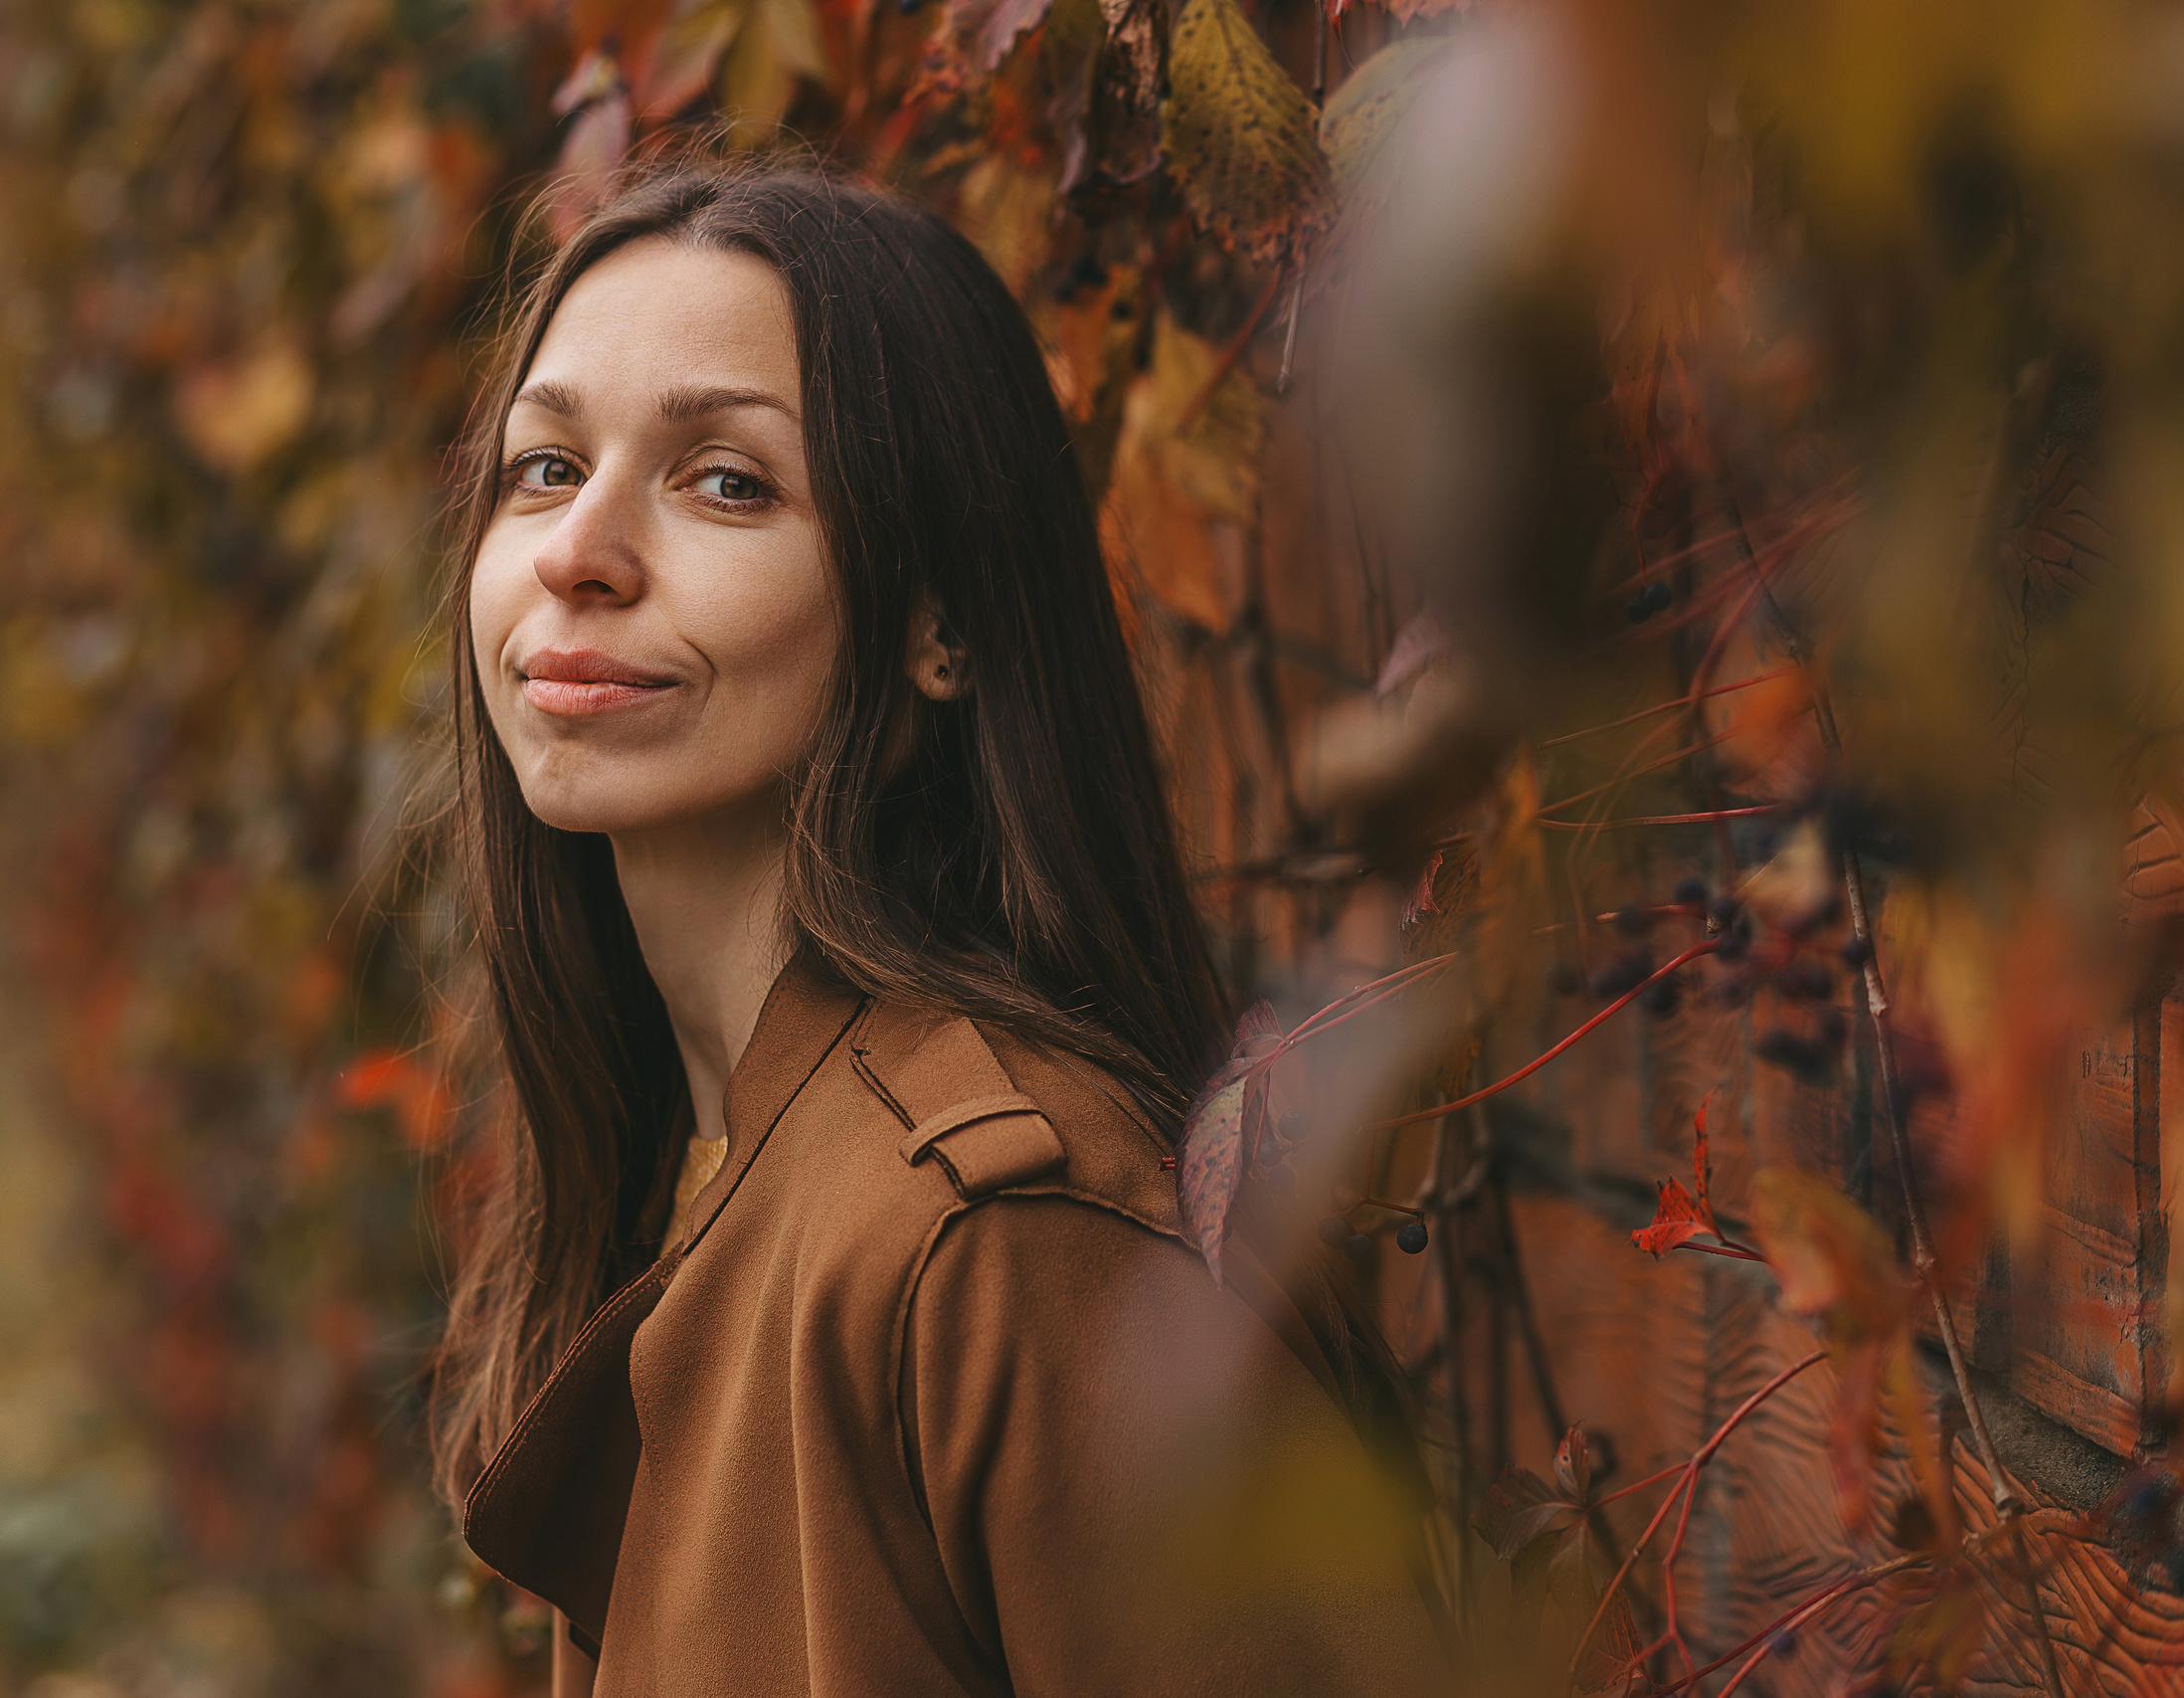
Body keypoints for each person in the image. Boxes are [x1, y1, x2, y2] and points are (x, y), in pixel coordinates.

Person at [430, 160, 1443, 1696]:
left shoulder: (1005, 1242)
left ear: (944, 627)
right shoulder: (695, 1171)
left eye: (729, 482)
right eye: (547, 467)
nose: (580, 550)